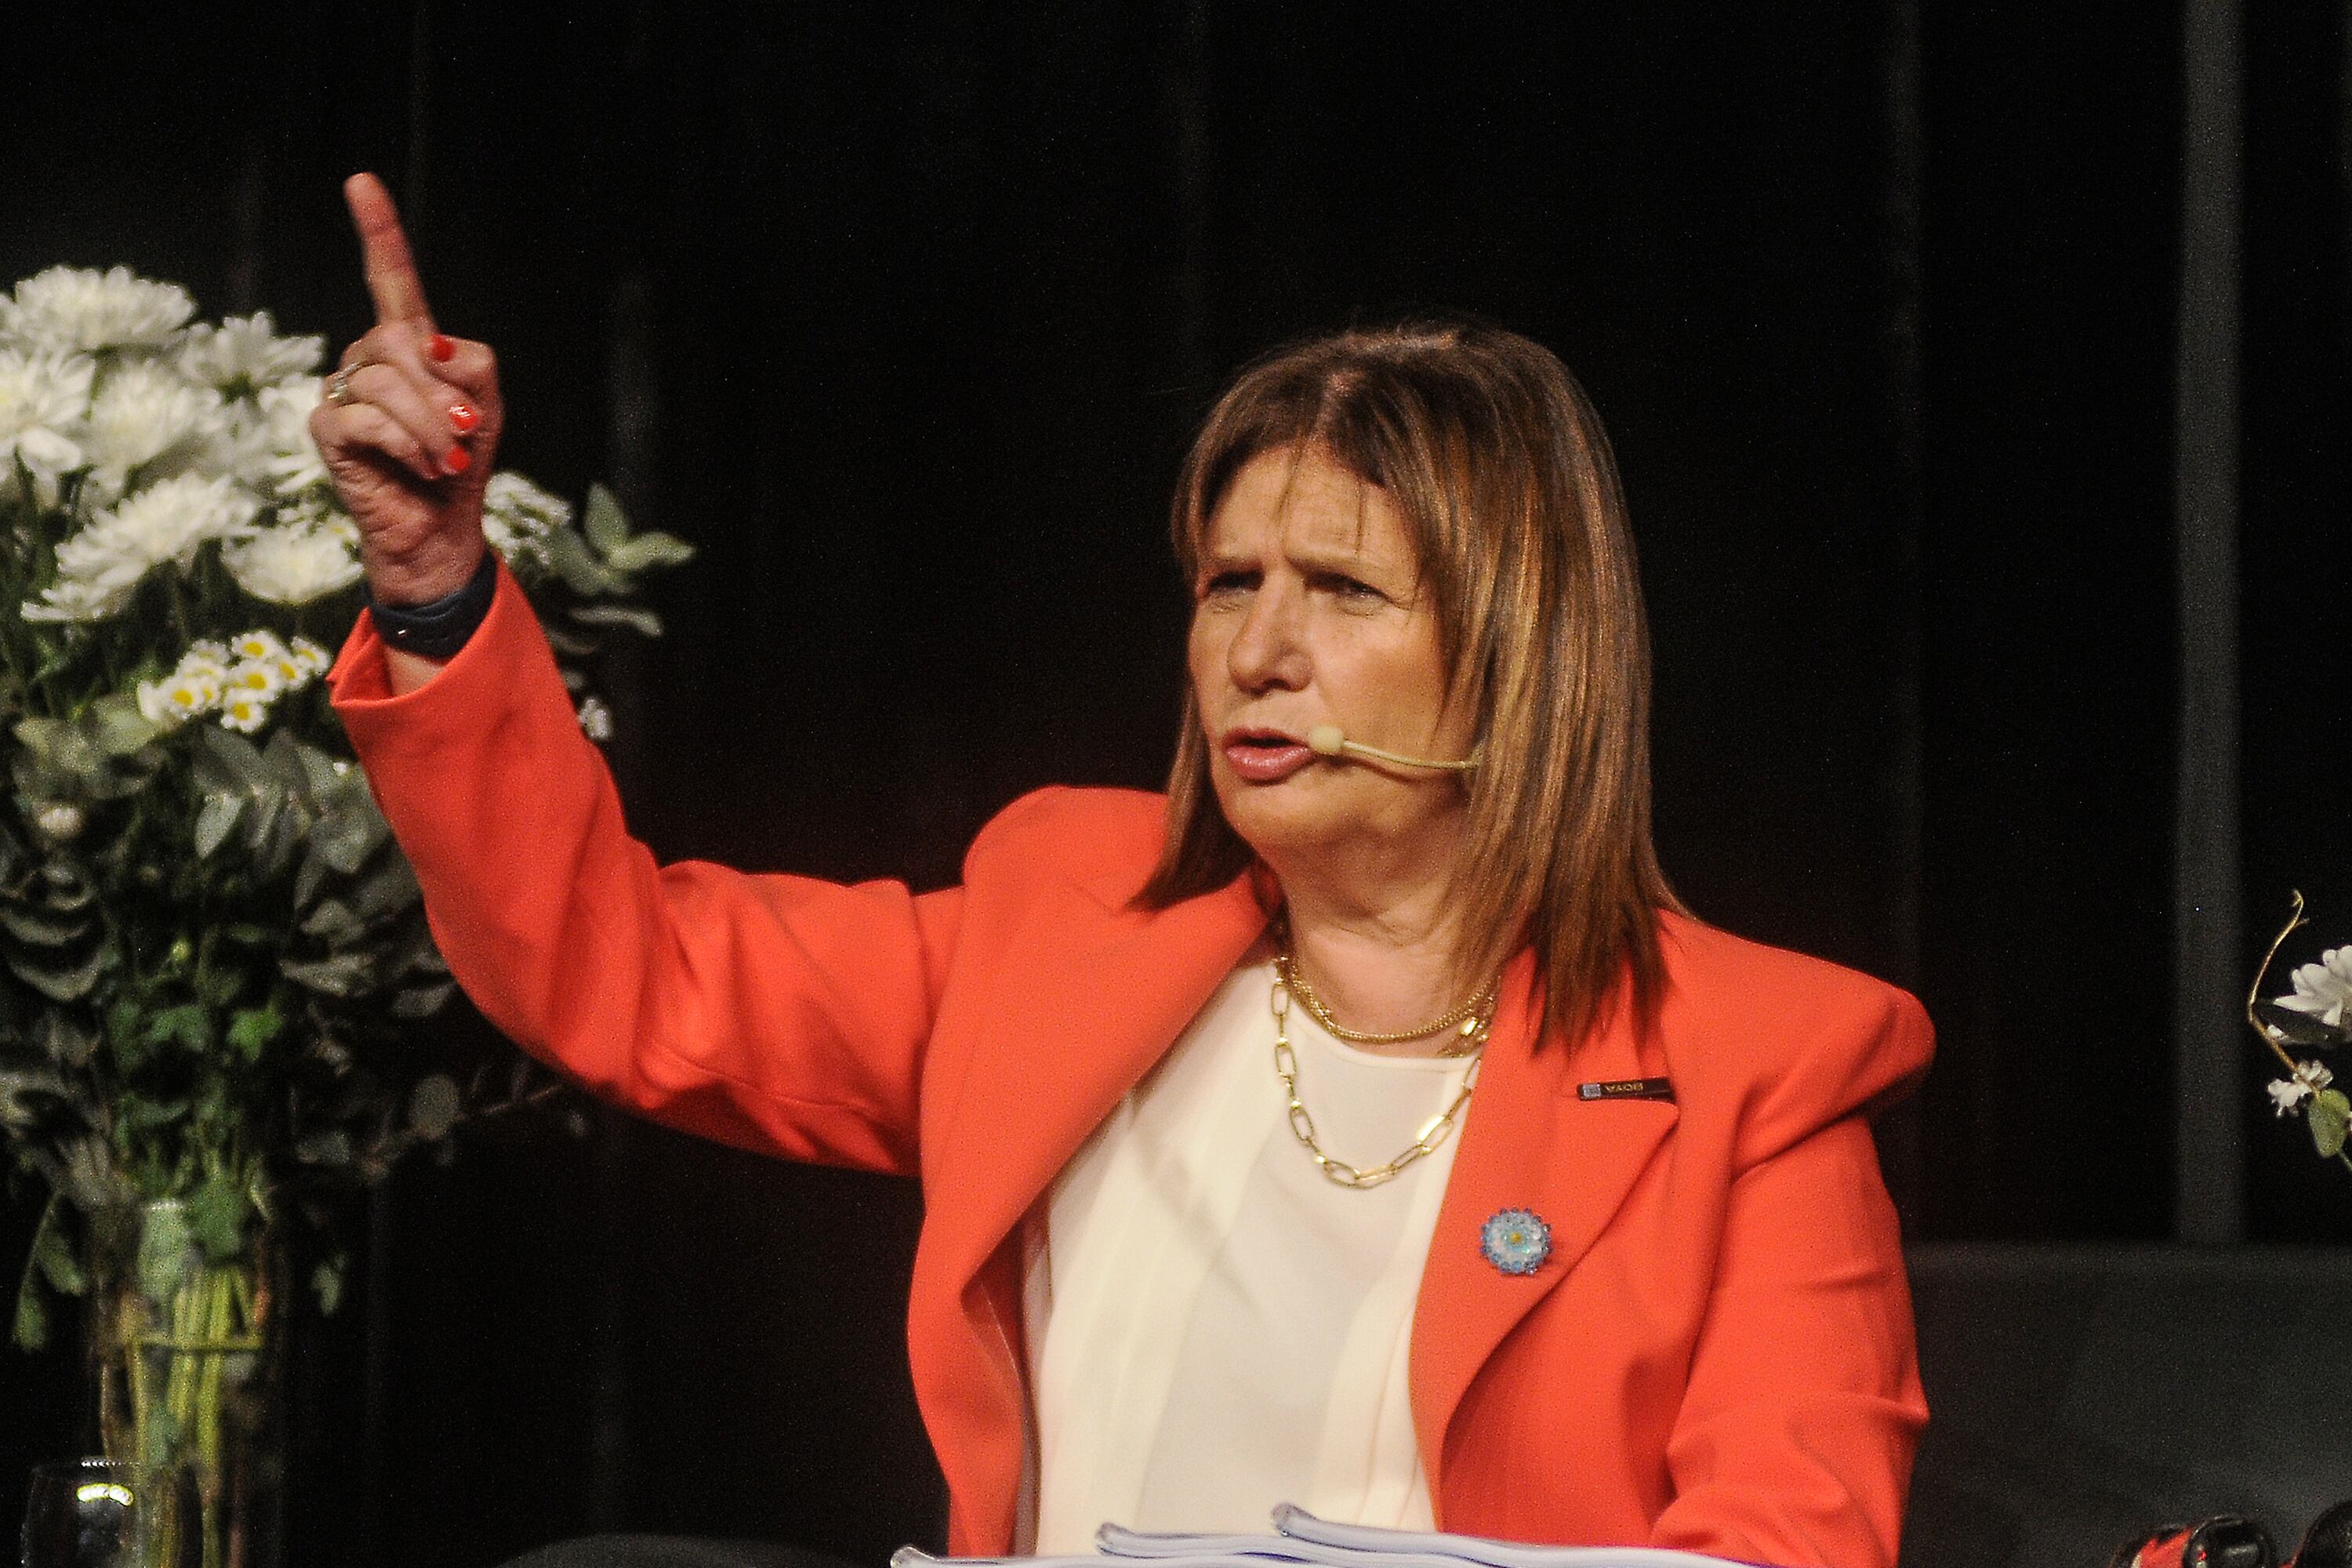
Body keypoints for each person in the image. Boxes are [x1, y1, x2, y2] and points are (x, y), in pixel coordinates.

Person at [315, 172, 1933, 1568]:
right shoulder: (1067, 920)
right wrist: (438, 585)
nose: (1259, 652)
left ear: (1520, 653)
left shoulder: (1758, 1073)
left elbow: (1787, 1547)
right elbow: (622, 969)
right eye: (1231, 583)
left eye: (1343, 591)